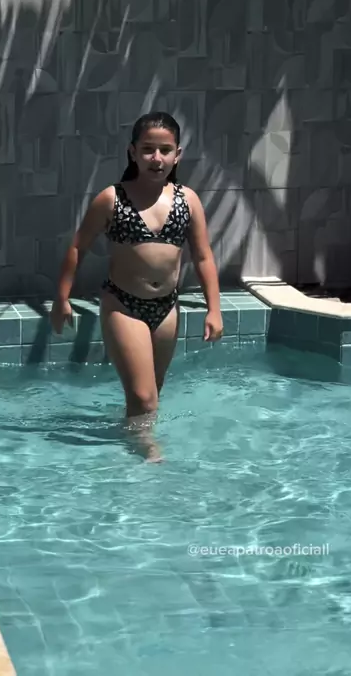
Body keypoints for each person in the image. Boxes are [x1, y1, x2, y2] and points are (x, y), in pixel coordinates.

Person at [50, 111, 223, 461]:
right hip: (123, 305)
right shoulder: (112, 199)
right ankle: (146, 452)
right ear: (132, 152)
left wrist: (214, 309)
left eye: (165, 150)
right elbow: (78, 247)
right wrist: (61, 298)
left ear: (177, 154)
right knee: (144, 397)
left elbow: (204, 256)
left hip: (166, 307)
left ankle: (131, 441)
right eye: (147, 149)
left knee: (151, 393)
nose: (156, 158)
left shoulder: (187, 200)